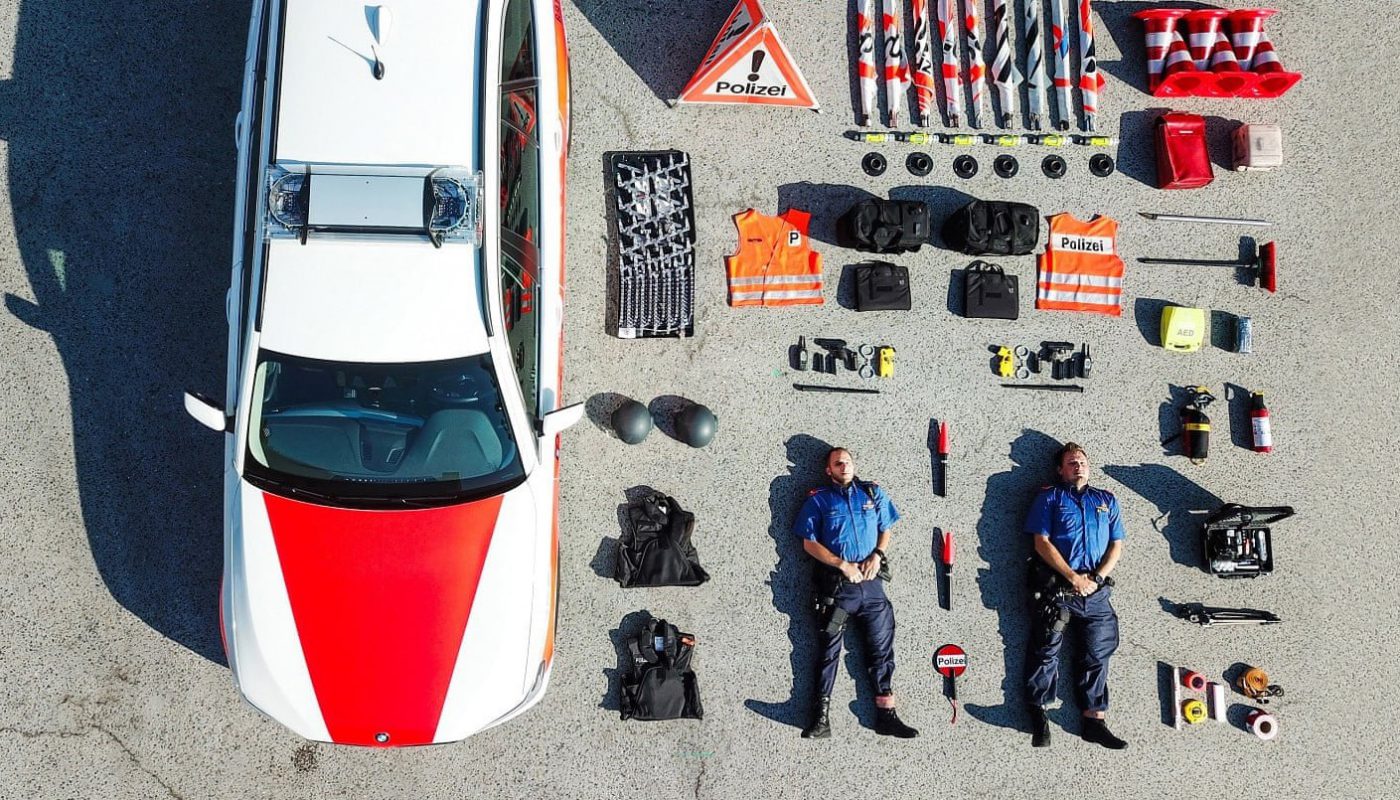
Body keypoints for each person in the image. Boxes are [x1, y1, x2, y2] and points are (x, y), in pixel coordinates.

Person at [792, 447, 918, 740]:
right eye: (838, 463)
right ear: (829, 470)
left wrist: (877, 555)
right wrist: (841, 564)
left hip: (872, 587)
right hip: (838, 589)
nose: (844, 466)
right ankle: (820, 720)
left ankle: (886, 716)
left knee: (882, 651)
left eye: (847, 462)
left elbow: (886, 528)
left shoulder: (871, 493)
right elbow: (808, 543)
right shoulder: (819, 499)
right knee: (828, 652)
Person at [1023, 442, 1127, 749]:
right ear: (1060, 470)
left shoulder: (1106, 500)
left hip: (1095, 590)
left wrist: (1096, 578)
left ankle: (1094, 720)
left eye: (1081, 461)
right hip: (1059, 589)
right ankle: (1039, 714)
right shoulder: (1050, 497)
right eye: (1071, 462)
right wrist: (1073, 577)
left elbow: (1116, 545)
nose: (1078, 466)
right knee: (1046, 649)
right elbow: (1041, 542)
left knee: (1098, 652)